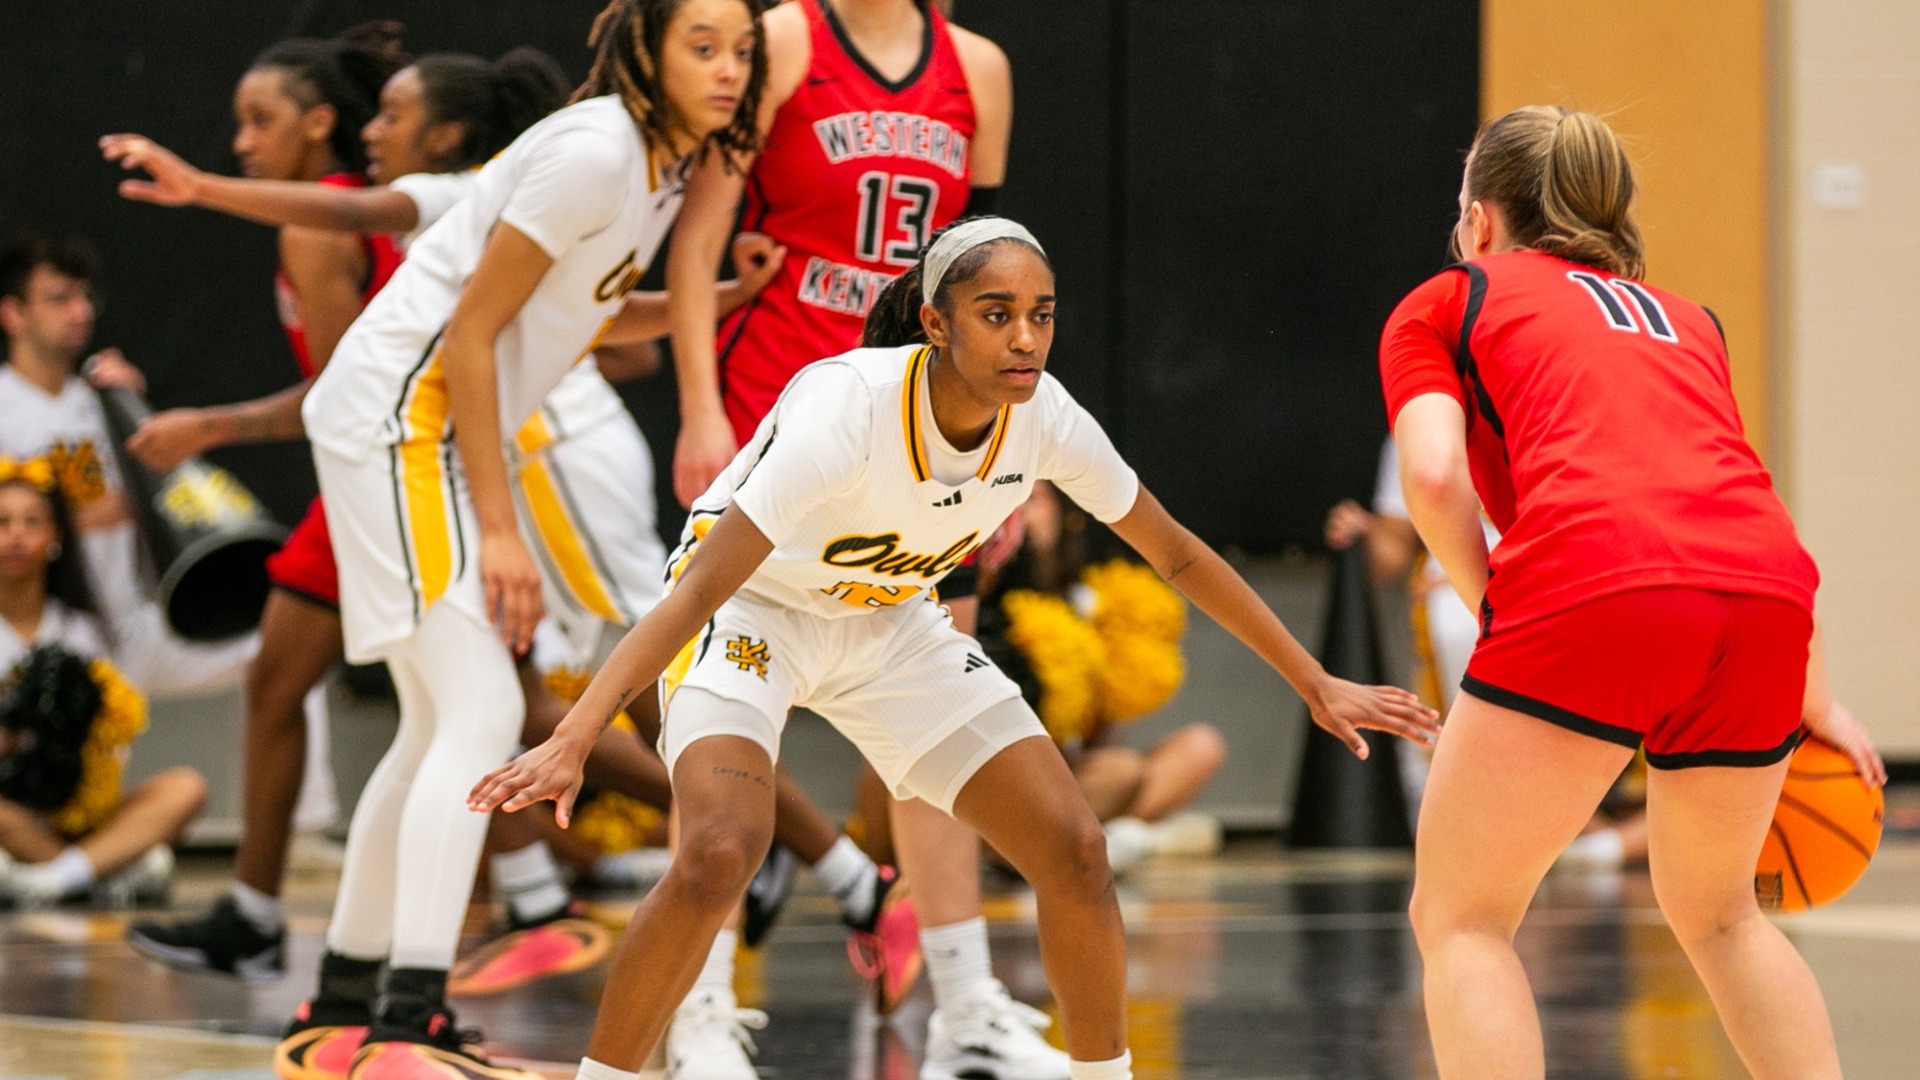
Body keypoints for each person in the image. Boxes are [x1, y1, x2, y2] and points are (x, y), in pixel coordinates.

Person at [470, 218, 1440, 1080]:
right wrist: (576, 735)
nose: (1025, 337)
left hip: (886, 618)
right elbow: (699, 592)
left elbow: (1178, 553)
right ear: (936, 323)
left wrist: (1314, 683)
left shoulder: (1046, 417)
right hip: (752, 613)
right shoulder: (846, 410)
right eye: (995, 313)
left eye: (1042, 314)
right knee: (722, 847)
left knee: (1075, 848)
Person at [281, 1, 764, 1075]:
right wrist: (501, 530)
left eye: (742, 50)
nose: (729, 69)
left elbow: (579, 314)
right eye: (703, 46)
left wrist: (729, 293)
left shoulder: (656, 166)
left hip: (421, 424)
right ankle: (409, 1019)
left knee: (432, 720)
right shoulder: (597, 152)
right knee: (488, 706)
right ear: (642, 48)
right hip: (403, 417)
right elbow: (470, 329)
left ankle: (345, 998)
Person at [1382, 106, 1886, 1080]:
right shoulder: (1691, 321)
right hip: (1767, 602)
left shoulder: (1450, 297)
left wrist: (1489, 596)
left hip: (1595, 583)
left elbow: (1436, 477)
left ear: (1481, 219)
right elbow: (1727, 504)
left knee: (1463, 917)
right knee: (1724, 916)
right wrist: (1817, 699)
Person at [661, 3, 1028, 1074]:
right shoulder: (779, 41)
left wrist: (1005, 451)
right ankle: (702, 1014)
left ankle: (966, 1004)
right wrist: (698, 409)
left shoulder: (980, 70)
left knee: (941, 743)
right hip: (780, 417)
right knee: (725, 740)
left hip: (924, 438)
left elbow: (992, 276)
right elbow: (697, 244)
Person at [0, 234, 259, 699]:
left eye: (85, 297)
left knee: (282, 646)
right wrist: (85, 516)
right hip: (53, 635)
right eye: (59, 299)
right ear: (13, 313)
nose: (80, 313)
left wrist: (131, 410)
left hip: (136, 625)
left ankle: (300, 778)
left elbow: (164, 495)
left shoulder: (101, 398)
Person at [0, 464, 206, 907]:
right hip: (11, 811)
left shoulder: (83, 632)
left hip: (80, 810)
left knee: (185, 787)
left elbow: (110, 740)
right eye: (2, 523)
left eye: (31, 521)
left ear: (55, 537)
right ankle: (104, 870)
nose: (16, 535)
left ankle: (52, 878)